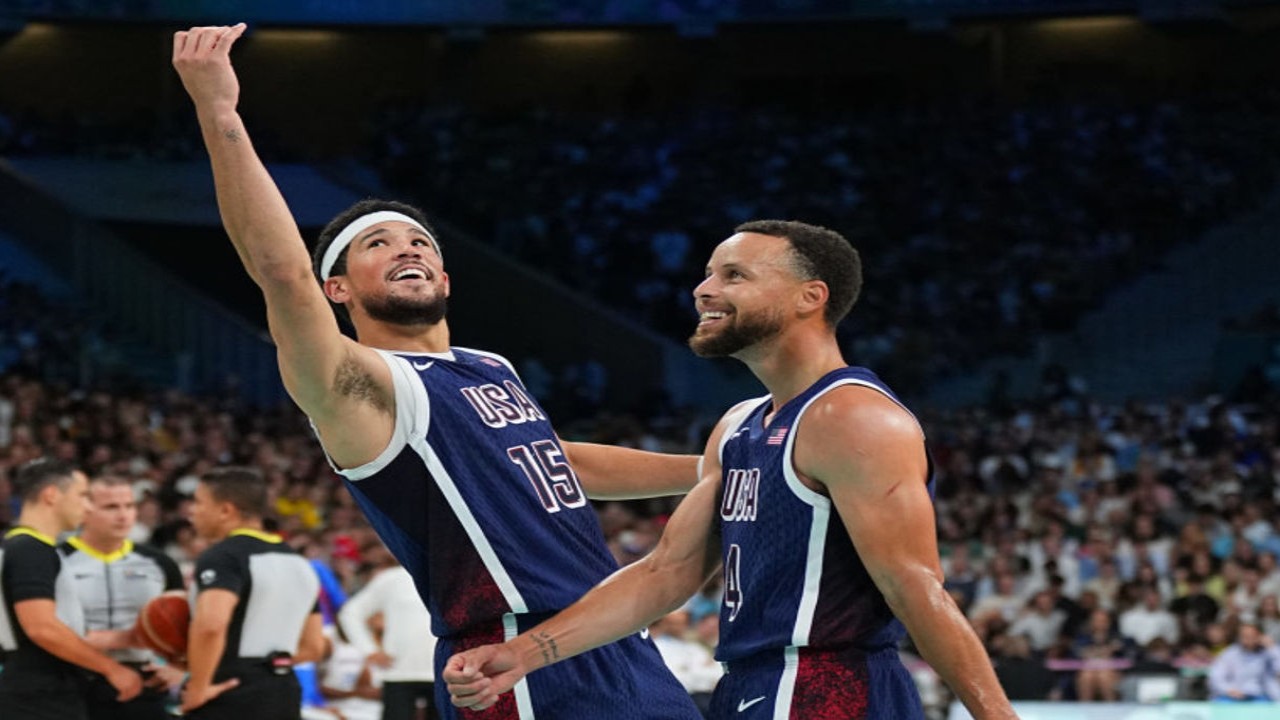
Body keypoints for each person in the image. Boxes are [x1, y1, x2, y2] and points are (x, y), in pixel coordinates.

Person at [173, 23, 701, 720]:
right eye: (376, 243)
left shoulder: (488, 366)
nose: (405, 246)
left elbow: (553, 459)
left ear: (445, 276)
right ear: (336, 289)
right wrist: (218, 111)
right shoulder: (360, 387)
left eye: (418, 239)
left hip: (613, 636)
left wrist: (713, 468)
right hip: (509, 655)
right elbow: (280, 273)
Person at [444, 221, 1018, 719]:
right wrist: (523, 654)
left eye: (733, 276)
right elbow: (664, 574)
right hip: (749, 686)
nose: (704, 290)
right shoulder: (740, 424)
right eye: (708, 274)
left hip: (827, 688)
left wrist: (995, 715)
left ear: (809, 297)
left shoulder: (854, 418)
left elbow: (916, 589)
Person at [0, 459, 144, 719]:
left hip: (30, 684)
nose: (87, 506)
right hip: (40, 692)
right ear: (51, 495)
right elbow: (42, 628)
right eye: (82, 495)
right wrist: (112, 669)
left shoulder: (18, 545)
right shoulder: (32, 550)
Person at [181, 466, 326, 719]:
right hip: (285, 692)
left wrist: (198, 687)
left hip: (229, 692)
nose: (192, 511)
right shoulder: (299, 563)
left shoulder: (223, 556)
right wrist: (269, 667)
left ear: (226, 510)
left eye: (198, 502)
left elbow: (211, 626)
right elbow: (314, 647)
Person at [60, 475, 187, 719]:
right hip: (72, 681)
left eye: (129, 506)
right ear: (85, 510)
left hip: (144, 683)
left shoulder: (160, 563)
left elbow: (186, 625)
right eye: (111, 507)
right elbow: (47, 630)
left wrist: (177, 667)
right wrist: (129, 637)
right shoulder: (55, 561)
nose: (123, 515)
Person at [338, 557, 438, 719]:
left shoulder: (453, 577)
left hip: (444, 672)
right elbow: (350, 613)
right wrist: (369, 650)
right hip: (398, 672)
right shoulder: (391, 579)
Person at [1207, 621, 1280, 701]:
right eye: (1244, 636)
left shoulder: (1269, 653)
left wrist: (1271, 647)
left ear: (1259, 636)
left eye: (1251, 635)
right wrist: (1229, 690)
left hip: (1260, 696)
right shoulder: (1230, 653)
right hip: (1232, 696)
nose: (1248, 639)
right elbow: (1215, 677)